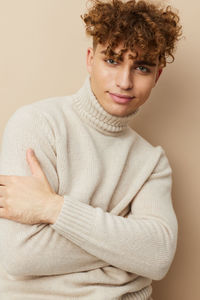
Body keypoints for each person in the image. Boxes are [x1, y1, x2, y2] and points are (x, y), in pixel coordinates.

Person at [0, 0, 182, 299]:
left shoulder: (152, 161)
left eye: (142, 67)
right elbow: (20, 256)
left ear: (157, 76)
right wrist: (127, 247)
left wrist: (52, 208)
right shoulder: (36, 125)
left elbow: (158, 256)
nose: (124, 82)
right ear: (90, 60)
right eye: (112, 60)